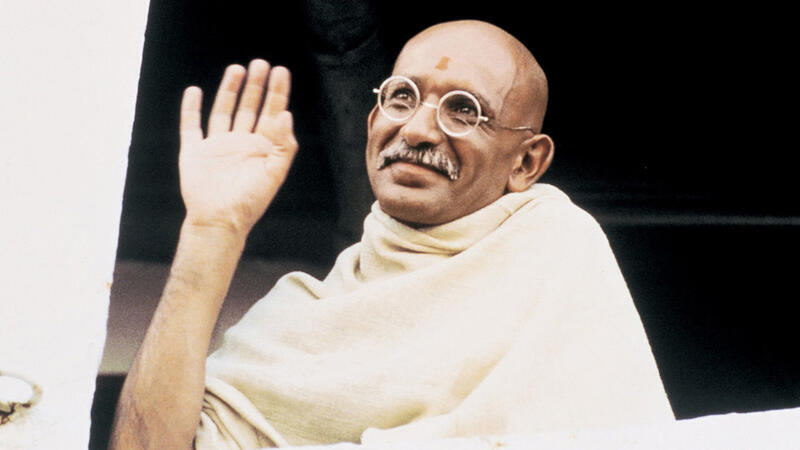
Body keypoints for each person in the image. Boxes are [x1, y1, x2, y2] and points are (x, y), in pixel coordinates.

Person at [110, 20, 674, 449]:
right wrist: (212, 229)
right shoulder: (300, 316)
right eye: (402, 96)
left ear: (526, 162)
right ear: (373, 120)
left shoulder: (554, 255)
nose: (418, 128)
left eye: (464, 110)